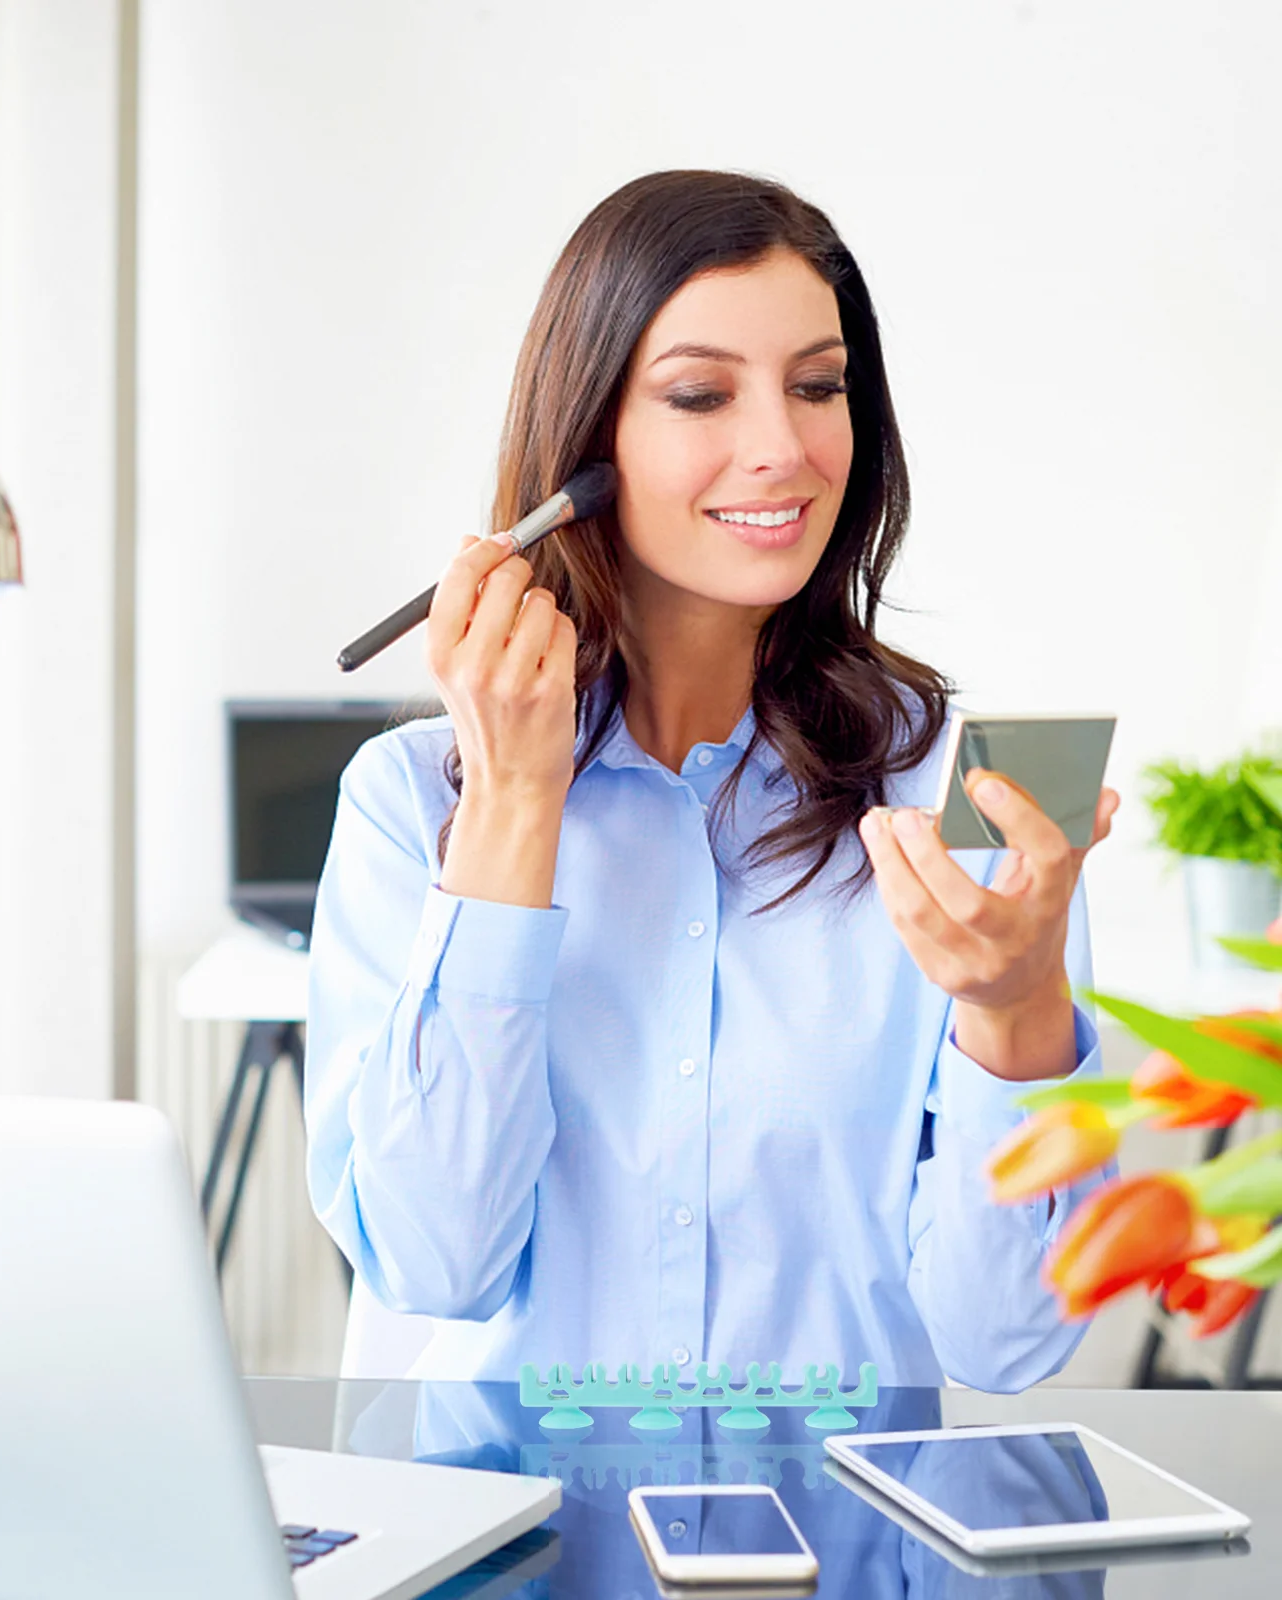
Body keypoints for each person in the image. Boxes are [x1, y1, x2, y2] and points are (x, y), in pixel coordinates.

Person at [305, 171, 1120, 1390]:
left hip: (844, 1552)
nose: (782, 448)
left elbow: (1003, 1347)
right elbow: (437, 1265)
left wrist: (1013, 1012)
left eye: (817, 386)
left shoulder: (967, 786)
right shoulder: (406, 798)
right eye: (700, 394)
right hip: (519, 1551)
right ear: (585, 446)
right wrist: (515, 810)